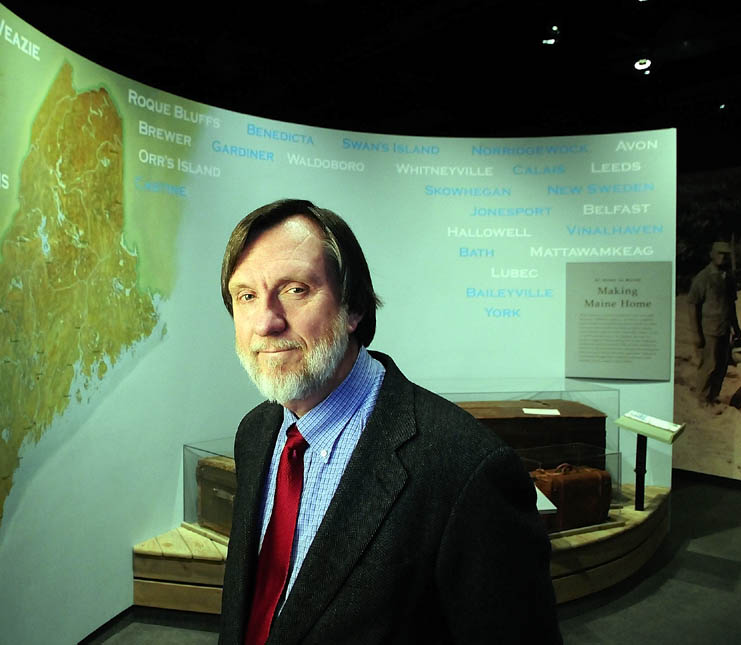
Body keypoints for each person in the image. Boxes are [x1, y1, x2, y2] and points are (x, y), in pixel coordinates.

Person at [218, 198, 561, 644]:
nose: (265, 321)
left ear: (354, 307)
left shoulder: (466, 470)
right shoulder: (256, 433)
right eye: (246, 296)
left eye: (295, 289)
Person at [688, 241, 741, 406]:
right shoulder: (703, 277)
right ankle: (703, 399)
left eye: (726, 254)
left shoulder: (728, 277)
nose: (722, 257)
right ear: (712, 254)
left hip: (725, 328)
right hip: (709, 330)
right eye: (719, 253)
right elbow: (692, 305)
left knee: (722, 365)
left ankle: (713, 396)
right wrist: (697, 334)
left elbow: (731, 304)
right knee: (709, 365)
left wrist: (736, 327)